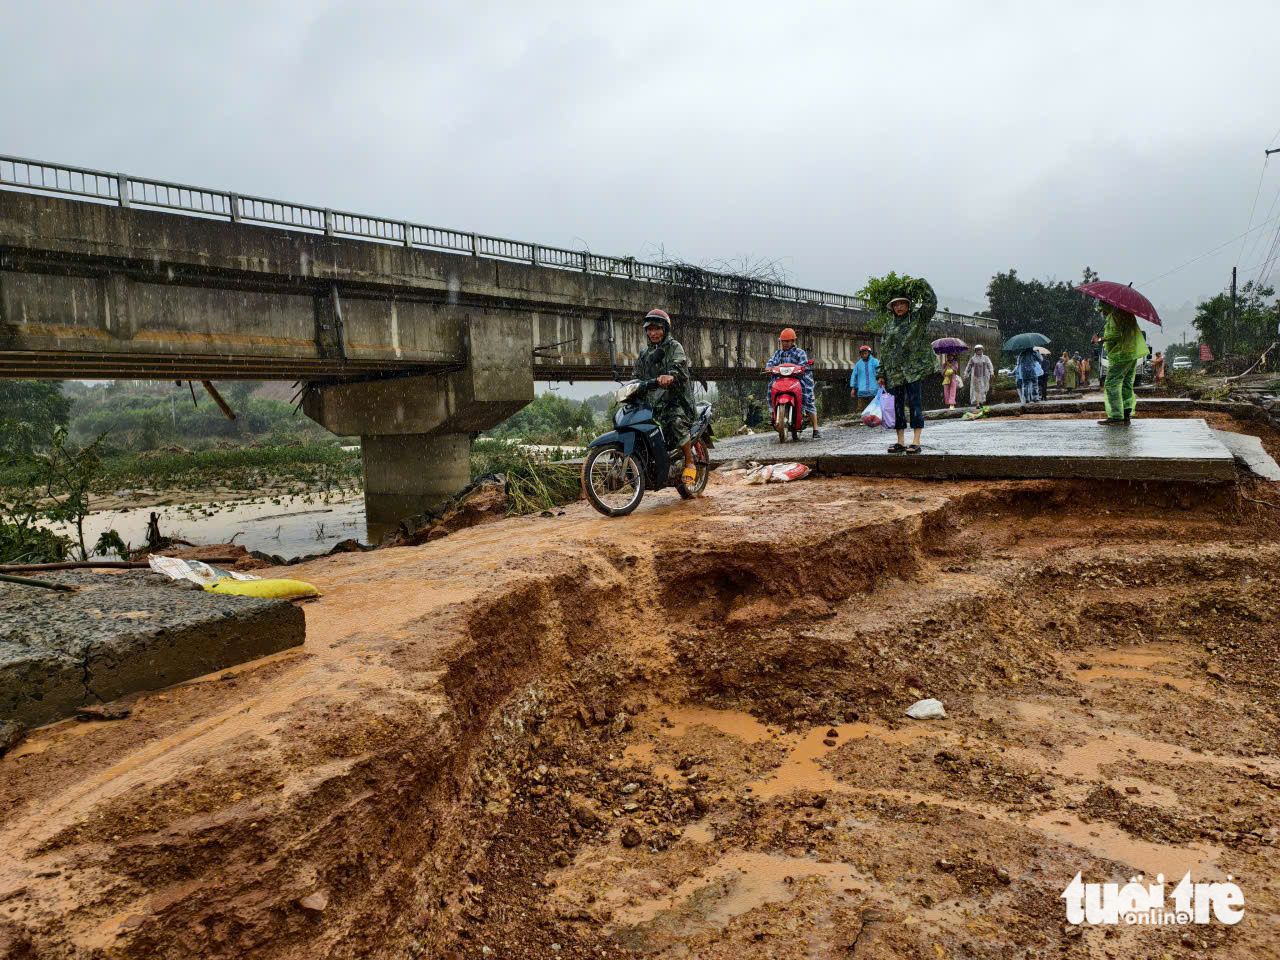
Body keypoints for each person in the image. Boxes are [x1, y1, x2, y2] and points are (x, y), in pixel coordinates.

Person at [634, 308, 698, 481]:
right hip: (654, 403)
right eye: (650, 329)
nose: (653, 333)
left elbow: (679, 365)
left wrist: (670, 375)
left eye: (657, 328)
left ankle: (690, 461)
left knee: (675, 421)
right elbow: (637, 376)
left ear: (665, 329)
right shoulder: (644, 354)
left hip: (677, 400)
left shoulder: (674, 347)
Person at [877, 281, 937, 454]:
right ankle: (900, 441)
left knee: (915, 404)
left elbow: (931, 302)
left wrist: (921, 284)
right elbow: (885, 350)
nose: (899, 307)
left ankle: (916, 441)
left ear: (908, 305)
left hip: (913, 371)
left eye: (902, 303)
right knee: (897, 407)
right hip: (894, 373)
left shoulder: (918, 318)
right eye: (896, 304)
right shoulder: (889, 326)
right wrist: (881, 373)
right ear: (892, 307)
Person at [767, 328, 820, 438]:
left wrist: (802, 368)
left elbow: (804, 363)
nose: (784, 343)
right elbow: (771, 362)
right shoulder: (778, 353)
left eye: (787, 341)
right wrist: (769, 367)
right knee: (770, 388)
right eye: (783, 341)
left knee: (808, 396)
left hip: (797, 379)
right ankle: (772, 413)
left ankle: (815, 429)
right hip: (781, 380)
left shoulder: (800, 353)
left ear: (792, 341)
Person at [1097, 303, 1145, 426]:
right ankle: (1126, 413)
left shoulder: (1114, 316)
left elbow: (1115, 335)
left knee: (1112, 383)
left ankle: (1116, 416)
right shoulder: (1127, 315)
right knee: (1126, 383)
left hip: (1120, 354)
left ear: (1106, 308)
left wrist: (1099, 339)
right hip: (1132, 353)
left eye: (1101, 310)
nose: (1101, 313)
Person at [849, 345, 880, 420]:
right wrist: (853, 388)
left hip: (873, 391)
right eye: (862, 354)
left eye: (865, 353)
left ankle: (874, 421)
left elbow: (880, 373)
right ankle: (866, 421)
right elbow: (854, 376)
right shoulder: (858, 364)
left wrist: (882, 384)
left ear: (869, 353)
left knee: (874, 408)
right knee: (863, 409)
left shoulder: (875, 362)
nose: (864, 355)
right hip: (862, 391)